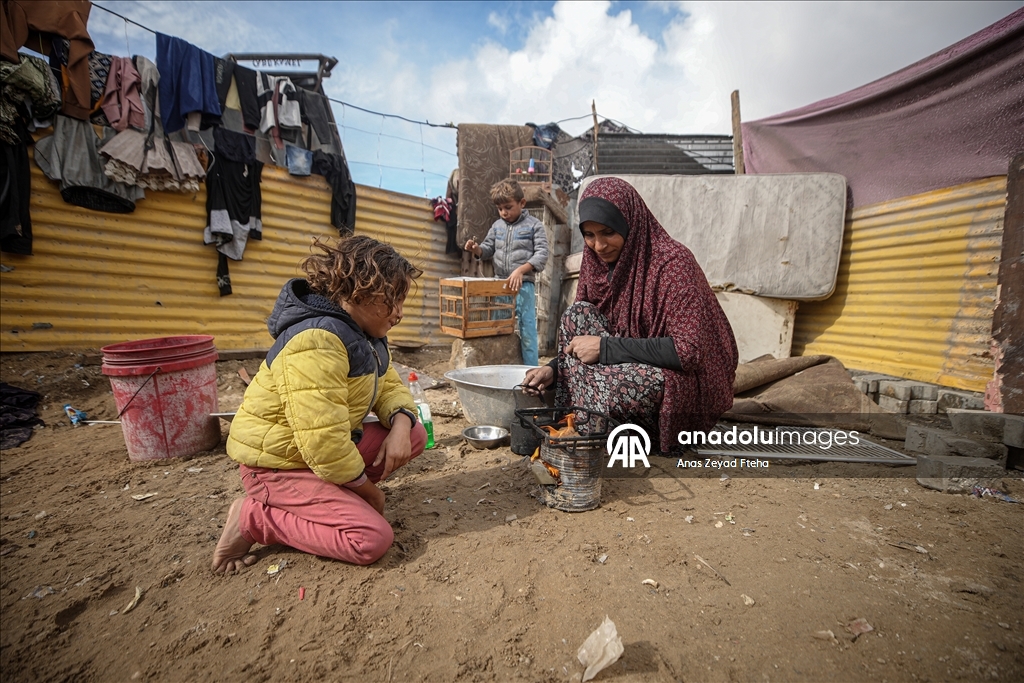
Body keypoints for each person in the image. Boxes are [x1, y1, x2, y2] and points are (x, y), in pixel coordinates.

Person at [212, 235, 428, 573]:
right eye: (391, 302)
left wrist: (401, 421)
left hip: (309, 454)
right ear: (357, 292)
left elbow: (388, 384)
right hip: (275, 465)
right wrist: (369, 492)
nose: (399, 314)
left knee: (414, 434)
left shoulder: (361, 333)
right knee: (371, 539)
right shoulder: (316, 340)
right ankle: (255, 517)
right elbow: (323, 443)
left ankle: (331, 495)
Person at [523, 177, 738, 453]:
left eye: (608, 232)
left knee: (620, 388)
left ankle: (600, 425)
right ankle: (591, 421)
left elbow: (689, 352)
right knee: (576, 316)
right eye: (589, 235)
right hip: (621, 363)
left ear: (630, 223)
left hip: (679, 379)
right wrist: (553, 369)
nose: (598, 245)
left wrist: (605, 348)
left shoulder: (672, 264)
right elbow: (582, 340)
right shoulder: (596, 264)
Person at [464, 179, 549, 366]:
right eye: (500, 208)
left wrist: (520, 270)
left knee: (527, 331)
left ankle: (530, 371)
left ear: (522, 203)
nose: (504, 212)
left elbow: (542, 254)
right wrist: (476, 249)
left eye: (508, 207)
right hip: (500, 286)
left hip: (523, 286)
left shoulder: (534, 225)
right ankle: (499, 368)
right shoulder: (497, 226)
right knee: (498, 328)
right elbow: (487, 249)